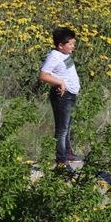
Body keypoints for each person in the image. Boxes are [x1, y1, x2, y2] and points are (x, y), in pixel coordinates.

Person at [39, 27, 81, 165]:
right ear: (60, 45)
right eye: (70, 44)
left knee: (68, 126)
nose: (73, 46)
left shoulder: (64, 55)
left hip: (71, 94)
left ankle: (67, 153)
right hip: (62, 96)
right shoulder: (54, 56)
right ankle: (61, 159)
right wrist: (60, 82)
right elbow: (43, 75)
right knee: (62, 129)